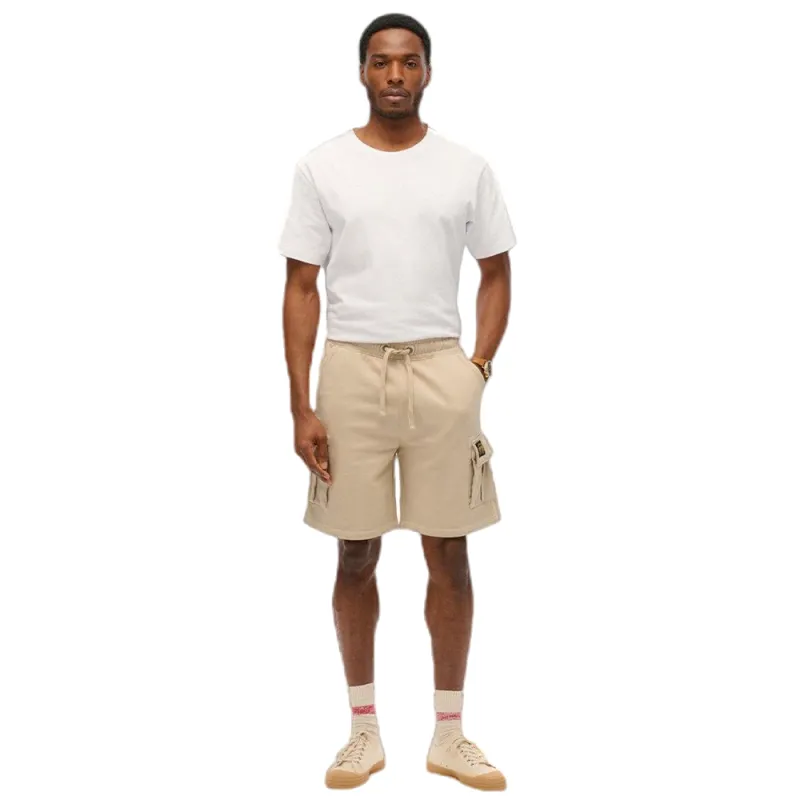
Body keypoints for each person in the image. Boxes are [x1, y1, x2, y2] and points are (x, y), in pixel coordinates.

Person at [278, 12, 516, 792]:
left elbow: (496, 271)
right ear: (361, 71)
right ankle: (363, 731)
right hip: (350, 372)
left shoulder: (465, 168)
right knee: (355, 552)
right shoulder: (322, 167)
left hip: (441, 369)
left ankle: (449, 734)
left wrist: (476, 368)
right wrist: (300, 405)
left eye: (409, 62)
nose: (394, 75)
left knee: (449, 551)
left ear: (428, 72)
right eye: (381, 62)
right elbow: (302, 287)